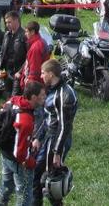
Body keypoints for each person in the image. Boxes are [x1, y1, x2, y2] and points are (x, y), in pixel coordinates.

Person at [0, 81, 45, 206]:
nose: (45, 97)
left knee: (5, 188)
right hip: (18, 162)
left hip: (5, 154)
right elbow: (20, 154)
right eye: (42, 95)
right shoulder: (25, 120)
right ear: (34, 97)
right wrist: (32, 163)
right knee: (24, 195)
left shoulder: (13, 100)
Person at [33, 60, 77, 206]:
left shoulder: (65, 94)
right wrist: (37, 137)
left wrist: (57, 152)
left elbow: (64, 126)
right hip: (47, 137)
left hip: (57, 139)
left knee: (51, 182)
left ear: (51, 74)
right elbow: (47, 118)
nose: (41, 76)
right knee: (37, 175)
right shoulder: (49, 89)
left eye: (43, 73)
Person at [0, 12, 27, 96]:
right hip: (8, 70)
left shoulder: (24, 36)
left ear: (16, 20)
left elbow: (28, 57)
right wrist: (0, 68)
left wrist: (20, 71)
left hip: (18, 71)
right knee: (7, 95)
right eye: (6, 22)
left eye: (9, 22)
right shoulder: (7, 34)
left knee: (16, 96)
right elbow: (2, 52)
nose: (7, 24)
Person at [21, 21, 48, 90]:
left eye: (27, 32)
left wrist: (30, 87)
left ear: (32, 32)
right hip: (41, 82)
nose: (25, 34)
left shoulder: (35, 48)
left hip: (35, 86)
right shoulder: (42, 41)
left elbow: (34, 70)